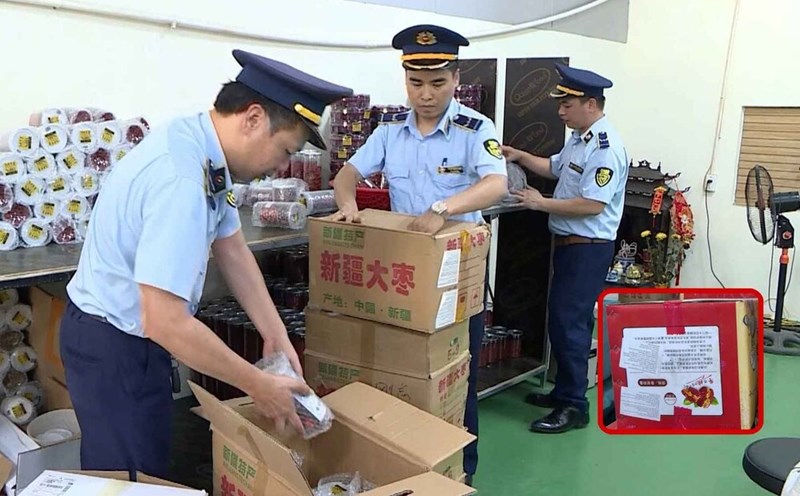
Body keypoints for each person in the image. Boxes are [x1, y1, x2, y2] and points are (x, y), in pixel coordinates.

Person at [60, 49, 353, 478]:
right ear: (253, 118)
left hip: (130, 339)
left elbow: (231, 246)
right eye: (284, 149)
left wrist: (275, 335)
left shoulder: (202, 147)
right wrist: (258, 386)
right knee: (130, 480)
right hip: (115, 346)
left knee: (149, 466)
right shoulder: (181, 179)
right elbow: (164, 321)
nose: (282, 166)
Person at [331, 24, 508, 484]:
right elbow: (345, 175)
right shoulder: (390, 132)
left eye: (437, 83)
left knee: (456, 376)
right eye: (416, 84)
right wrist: (349, 205)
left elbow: (496, 183)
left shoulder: (475, 129)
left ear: (454, 78)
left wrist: (443, 207)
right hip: (404, 276)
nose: (425, 95)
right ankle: (406, 463)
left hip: (456, 277)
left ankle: (460, 472)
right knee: (407, 374)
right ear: (405, 81)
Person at [502, 62, 628, 434]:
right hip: (571, 246)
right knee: (562, 322)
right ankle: (563, 393)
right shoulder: (581, 137)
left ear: (591, 104)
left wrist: (540, 203)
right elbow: (556, 167)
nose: (560, 110)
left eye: (567, 104)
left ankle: (574, 406)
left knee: (569, 326)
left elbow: (593, 204)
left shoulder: (605, 148)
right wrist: (520, 156)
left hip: (587, 248)